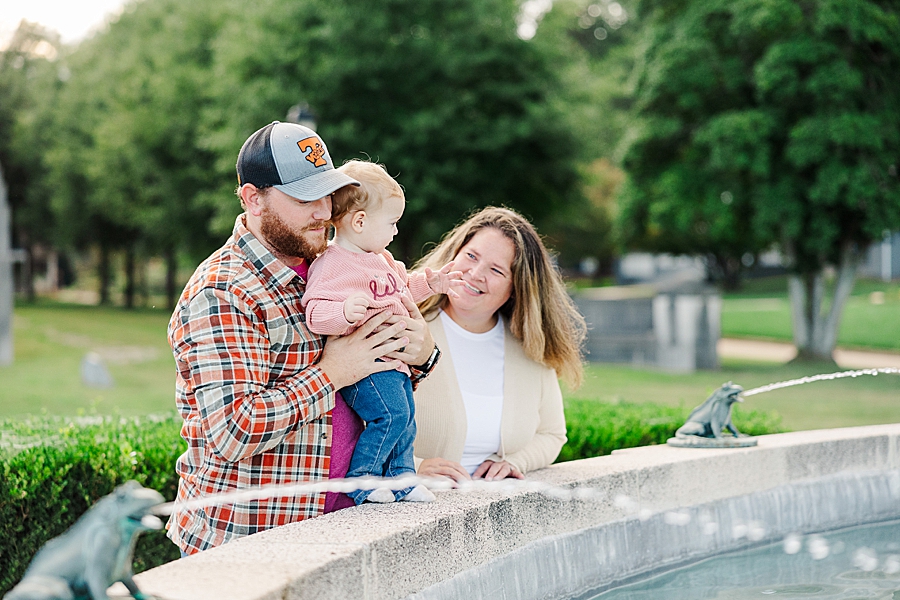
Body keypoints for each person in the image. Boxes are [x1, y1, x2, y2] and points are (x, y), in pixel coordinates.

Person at [167, 122, 442, 555]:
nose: (323, 211)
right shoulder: (223, 291)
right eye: (303, 198)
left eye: (326, 193)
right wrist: (332, 372)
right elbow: (233, 432)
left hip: (339, 527)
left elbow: (372, 386)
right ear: (253, 199)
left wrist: (421, 355)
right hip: (250, 545)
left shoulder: (333, 267)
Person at [301, 160, 463, 504]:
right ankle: (361, 480)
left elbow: (401, 289)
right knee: (391, 416)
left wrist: (433, 282)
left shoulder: (381, 259)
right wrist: (343, 313)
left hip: (394, 364)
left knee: (407, 421)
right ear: (360, 222)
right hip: (367, 367)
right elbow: (315, 312)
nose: (396, 231)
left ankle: (401, 480)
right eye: (391, 222)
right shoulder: (333, 263)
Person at [412, 207, 586, 482]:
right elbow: (355, 425)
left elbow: (551, 434)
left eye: (495, 269)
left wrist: (516, 461)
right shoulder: (405, 326)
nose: (475, 273)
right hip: (410, 511)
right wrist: (411, 466)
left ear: (517, 287)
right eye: (471, 256)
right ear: (454, 254)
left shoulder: (529, 350)